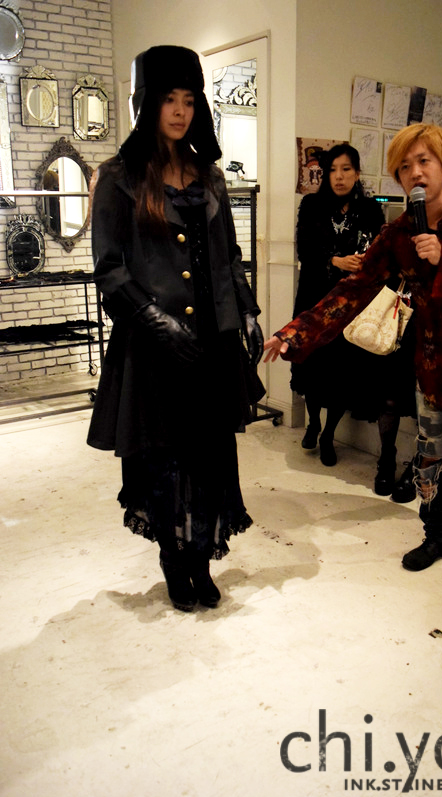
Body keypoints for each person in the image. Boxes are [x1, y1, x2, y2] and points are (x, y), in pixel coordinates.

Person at [265, 123, 442, 571]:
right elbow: (352, 290)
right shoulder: (397, 235)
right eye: (405, 167)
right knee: (430, 462)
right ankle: (438, 534)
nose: (415, 173)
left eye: (424, 161)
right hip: (435, 365)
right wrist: (295, 333)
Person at [87, 45, 265, 611]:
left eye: (189, 99)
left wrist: (249, 311)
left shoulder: (210, 177)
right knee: (164, 460)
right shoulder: (118, 178)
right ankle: (173, 559)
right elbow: (109, 269)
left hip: (212, 343)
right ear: (148, 104)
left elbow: (229, 255)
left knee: (209, 455)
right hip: (153, 347)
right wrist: (155, 321)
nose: (181, 110)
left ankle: (201, 557)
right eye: (170, 99)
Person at [292, 143, 416, 503]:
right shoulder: (311, 205)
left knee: (339, 373)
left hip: (352, 304)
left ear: (357, 173)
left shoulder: (369, 208)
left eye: (346, 169)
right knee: (311, 366)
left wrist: (365, 262)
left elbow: (381, 250)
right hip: (316, 297)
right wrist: (335, 260)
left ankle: (328, 435)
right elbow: (305, 250)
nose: (339, 177)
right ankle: (313, 423)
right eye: (333, 170)